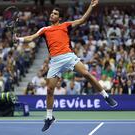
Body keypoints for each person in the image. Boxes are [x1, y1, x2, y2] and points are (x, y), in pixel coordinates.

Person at [15, 0, 117, 132]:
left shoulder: (65, 25)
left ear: (59, 17)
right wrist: (19, 39)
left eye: (55, 13)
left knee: (86, 74)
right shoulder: (44, 30)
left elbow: (82, 20)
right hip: (55, 61)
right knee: (50, 90)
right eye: (51, 13)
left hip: (68, 57)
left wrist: (91, 7)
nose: (52, 15)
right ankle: (49, 117)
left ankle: (106, 96)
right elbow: (31, 37)